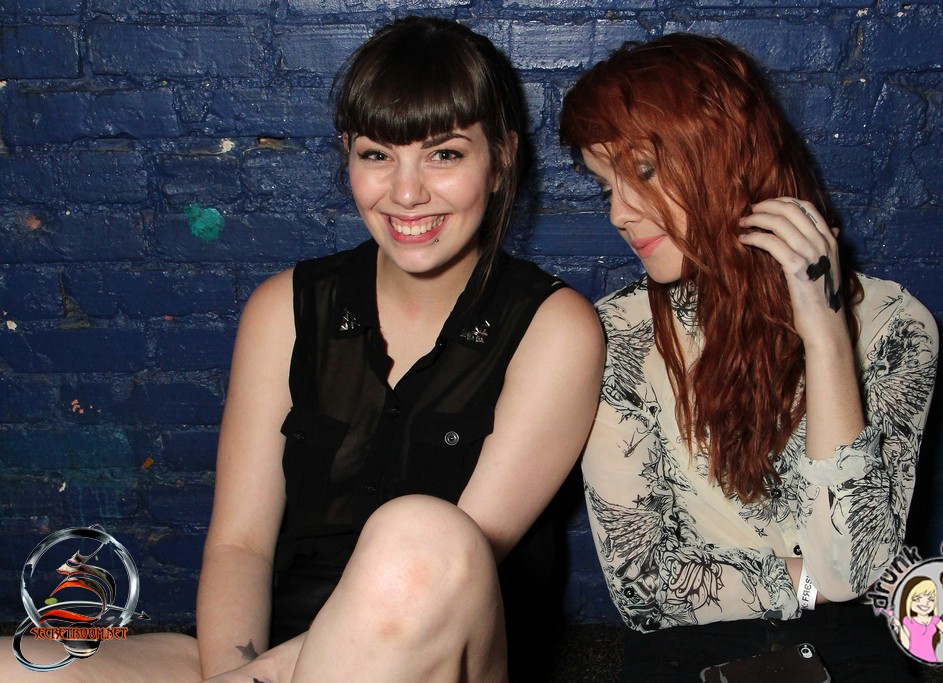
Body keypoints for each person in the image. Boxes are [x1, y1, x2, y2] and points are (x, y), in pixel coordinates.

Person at [3, 17, 603, 683]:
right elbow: (240, 545)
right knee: (17, 665)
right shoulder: (283, 308)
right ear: (348, 155)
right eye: (377, 155)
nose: (406, 192)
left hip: (438, 653)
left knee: (418, 536)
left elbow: (439, 577)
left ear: (501, 159)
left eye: (445, 155)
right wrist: (234, 670)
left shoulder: (556, 328)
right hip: (269, 660)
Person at [561, 33, 938, 681]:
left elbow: (853, 567)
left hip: (849, 641)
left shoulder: (893, 327)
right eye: (606, 188)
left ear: (726, 156)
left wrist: (826, 335)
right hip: (687, 645)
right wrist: (810, 581)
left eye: (643, 172)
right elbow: (644, 587)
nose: (619, 213)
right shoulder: (617, 335)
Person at [891, 577, 943, 662]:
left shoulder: (935, 620)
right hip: (913, 660)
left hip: (931, 660)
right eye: (917, 599)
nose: (925, 603)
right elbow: (907, 645)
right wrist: (899, 626)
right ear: (908, 600)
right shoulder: (908, 621)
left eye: (931, 599)